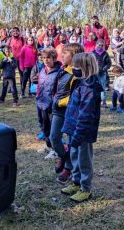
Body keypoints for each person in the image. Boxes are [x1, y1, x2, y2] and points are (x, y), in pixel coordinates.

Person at [60, 52, 102, 203]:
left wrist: (79, 133)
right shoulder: (79, 82)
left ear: (85, 67)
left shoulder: (90, 88)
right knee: (74, 157)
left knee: (84, 159)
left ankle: (86, 188)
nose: (73, 68)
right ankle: (76, 182)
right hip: (74, 128)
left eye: (76, 66)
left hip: (83, 131)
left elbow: (85, 115)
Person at [50, 43, 85, 184]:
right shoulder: (63, 69)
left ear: (74, 56)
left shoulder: (78, 74)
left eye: (65, 53)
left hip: (70, 111)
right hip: (57, 110)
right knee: (54, 137)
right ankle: (64, 157)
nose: (62, 55)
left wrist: (60, 102)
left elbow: (76, 95)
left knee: (71, 141)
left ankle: (69, 168)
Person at [36, 48, 61, 159]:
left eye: (48, 58)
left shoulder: (59, 71)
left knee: (53, 128)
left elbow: (59, 89)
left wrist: (55, 101)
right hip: (41, 102)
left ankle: (56, 150)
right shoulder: (42, 69)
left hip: (51, 104)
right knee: (44, 125)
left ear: (54, 58)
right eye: (44, 58)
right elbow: (39, 84)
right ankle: (48, 145)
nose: (46, 60)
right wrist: (37, 95)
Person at [92, 39, 112, 108]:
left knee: (102, 88)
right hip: (94, 73)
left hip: (102, 73)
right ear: (96, 44)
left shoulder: (105, 53)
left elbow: (109, 63)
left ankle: (104, 102)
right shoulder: (93, 53)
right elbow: (90, 63)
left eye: (102, 45)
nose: (100, 46)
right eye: (99, 45)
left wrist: (104, 69)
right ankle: (95, 102)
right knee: (94, 88)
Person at [31, 52, 45, 140]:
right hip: (38, 92)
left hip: (47, 94)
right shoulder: (35, 66)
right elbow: (32, 77)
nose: (43, 59)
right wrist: (41, 77)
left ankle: (53, 134)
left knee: (49, 116)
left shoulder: (51, 67)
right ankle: (43, 132)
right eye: (41, 56)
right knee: (40, 115)